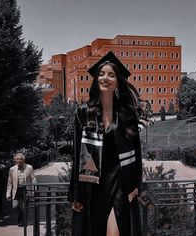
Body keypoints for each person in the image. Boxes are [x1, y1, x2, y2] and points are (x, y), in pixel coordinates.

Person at [68, 51, 143, 236]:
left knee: (116, 232)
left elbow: (137, 153)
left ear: (118, 81)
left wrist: (136, 185)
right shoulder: (84, 113)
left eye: (111, 74)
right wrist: (75, 193)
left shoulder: (127, 113)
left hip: (121, 180)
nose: (105, 78)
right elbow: (77, 154)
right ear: (96, 78)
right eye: (101, 74)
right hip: (94, 184)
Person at [6, 152, 36, 226]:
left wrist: (34, 190)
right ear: (15, 160)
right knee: (15, 206)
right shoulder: (12, 169)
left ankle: (23, 222)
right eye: (17, 159)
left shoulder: (29, 167)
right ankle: (21, 217)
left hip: (26, 189)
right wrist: (8, 193)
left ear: (23, 160)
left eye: (21, 159)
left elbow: (34, 179)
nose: (19, 161)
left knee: (24, 207)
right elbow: (10, 182)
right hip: (16, 190)